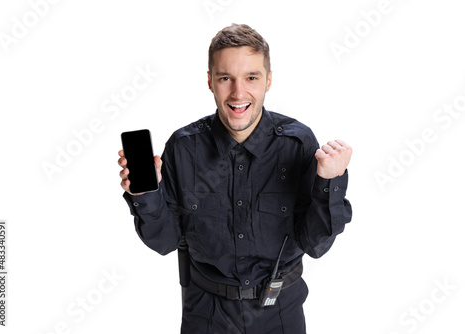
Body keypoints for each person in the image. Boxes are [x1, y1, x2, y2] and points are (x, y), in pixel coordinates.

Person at [118, 23, 352, 334]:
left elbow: (315, 244)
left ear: (268, 81)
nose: (238, 93)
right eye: (225, 78)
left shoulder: (297, 144)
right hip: (206, 314)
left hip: (280, 311)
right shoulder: (183, 148)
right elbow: (163, 242)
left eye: (251, 78)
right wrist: (146, 196)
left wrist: (329, 182)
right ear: (210, 82)